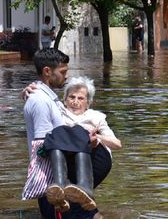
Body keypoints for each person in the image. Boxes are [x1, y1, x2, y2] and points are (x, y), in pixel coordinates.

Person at [23, 48, 111, 219]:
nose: (67, 76)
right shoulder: (40, 101)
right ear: (47, 71)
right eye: (63, 72)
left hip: (64, 181)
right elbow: (43, 144)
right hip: (54, 181)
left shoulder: (47, 98)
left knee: (90, 214)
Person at [45, 76, 121, 215]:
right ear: (65, 99)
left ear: (88, 102)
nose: (75, 102)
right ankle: (61, 188)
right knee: (56, 134)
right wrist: (29, 89)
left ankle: (84, 190)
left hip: (94, 159)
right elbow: (42, 97)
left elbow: (117, 144)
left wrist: (95, 136)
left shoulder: (95, 117)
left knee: (80, 133)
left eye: (80, 98)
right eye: (71, 97)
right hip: (65, 157)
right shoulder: (59, 113)